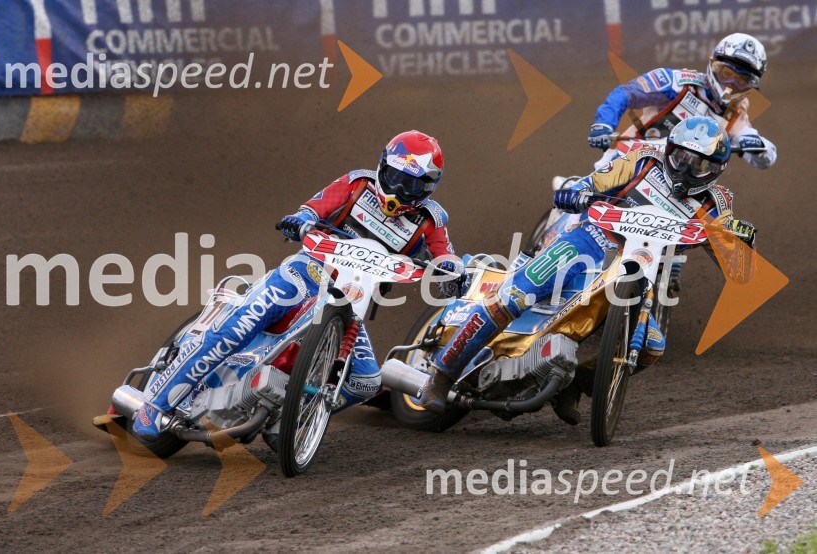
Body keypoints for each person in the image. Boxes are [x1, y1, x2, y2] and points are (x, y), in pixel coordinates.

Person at [134, 130, 468, 441]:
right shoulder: (356, 183)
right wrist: (301, 220)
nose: (401, 191)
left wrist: (454, 272)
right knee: (235, 329)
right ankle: (156, 404)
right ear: (383, 167)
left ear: (428, 188)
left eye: (413, 186)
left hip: (351, 304)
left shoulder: (431, 219)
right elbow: (312, 208)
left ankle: (292, 415)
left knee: (366, 382)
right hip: (305, 275)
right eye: (397, 179)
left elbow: (445, 255)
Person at [420, 116, 757, 423]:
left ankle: (574, 386)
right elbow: (595, 180)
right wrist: (579, 192)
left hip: (643, 266)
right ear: (669, 151)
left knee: (650, 347)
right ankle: (442, 375)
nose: (685, 169)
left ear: (716, 170)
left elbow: (739, 268)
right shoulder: (642, 161)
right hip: (591, 241)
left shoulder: (718, 202)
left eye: (698, 165)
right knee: (514, 296)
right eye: (681, 158)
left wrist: (743, 244)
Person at [588, 33, 776, 170]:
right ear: (713, 64)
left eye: (742, 81)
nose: (731, 84)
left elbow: (765, 157)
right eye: (727, 74)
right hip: (626, 163)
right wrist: (604, 124)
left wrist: (758, 146)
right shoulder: (676, 82)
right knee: (587, 208)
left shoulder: (734, 113)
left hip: (676, 189)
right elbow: (625, 94)